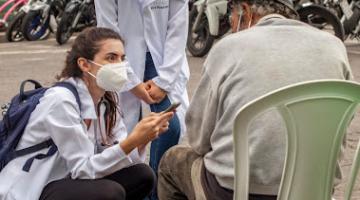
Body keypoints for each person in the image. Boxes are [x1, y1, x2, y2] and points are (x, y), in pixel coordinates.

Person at [157, 0, 354, 199]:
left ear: (245, 10)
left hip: (237, 191)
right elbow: (345, 119)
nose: (232, 25)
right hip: (314, 190)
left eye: (231, 16)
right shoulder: (334, 46)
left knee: (171, 162)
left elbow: (198, 139)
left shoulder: (228, 49)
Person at [0, 27, 174, 200]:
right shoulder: (61, 100)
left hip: (68, 179)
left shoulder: (107, 97)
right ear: (84, 64)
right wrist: (132, 141)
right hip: (35, 187)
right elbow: (83, 169)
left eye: (122, 58)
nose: (119, 65)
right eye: (111, 58)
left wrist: (142, 140)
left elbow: (114, 152)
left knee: (143, 175)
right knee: (109, 193)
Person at [94, 1, 190, 198]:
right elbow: (107, 32)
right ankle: (136, 189)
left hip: (163, 58)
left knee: (170, 126)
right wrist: (131, 82)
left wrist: (164, 81)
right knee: (123, 134)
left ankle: (156, 191)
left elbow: (178, 27)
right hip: (121, 59)